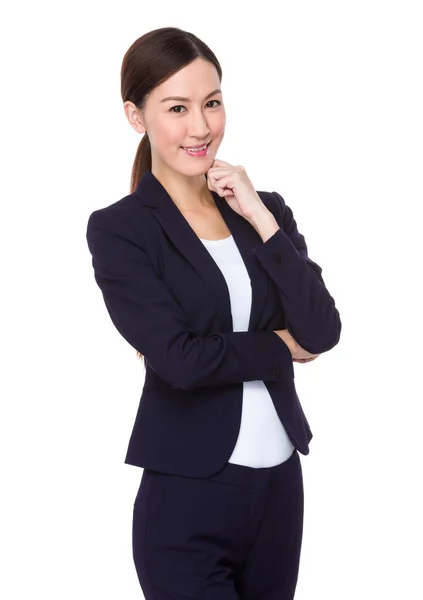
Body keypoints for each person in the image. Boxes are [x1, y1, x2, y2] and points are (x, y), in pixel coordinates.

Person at [86, 26, 341, 600]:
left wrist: (260, 217)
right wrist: (281, 346)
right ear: (136, 115)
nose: (201, 127)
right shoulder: (121, 230)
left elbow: (322, 330)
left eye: (212, 102)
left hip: (279, 492)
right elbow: (180, 361)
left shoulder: (263, 210)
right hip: (187, 498)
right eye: (177, 108)